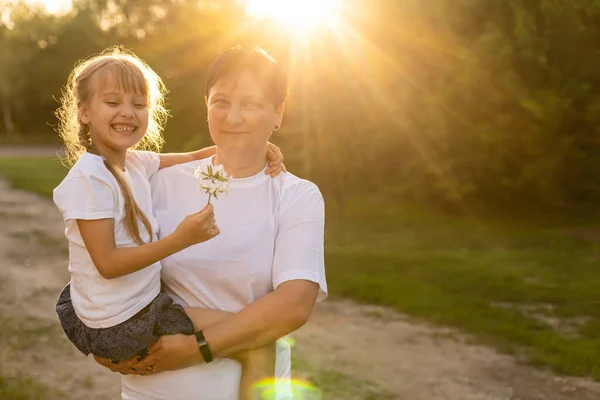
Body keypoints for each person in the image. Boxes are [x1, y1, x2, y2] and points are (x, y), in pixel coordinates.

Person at [93, 46, 328, 400]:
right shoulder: (157, 183)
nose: (233, 118)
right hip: (152, 391)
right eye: (221, 101)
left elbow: (293, 304)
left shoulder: (297, 196)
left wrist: (196, 348)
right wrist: (105, 339)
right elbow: (107, 271)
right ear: (206, 103)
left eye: (251, 104)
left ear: (278, 113)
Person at [52, 47, 286, 400]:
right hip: (125, 321)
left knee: (246, 329)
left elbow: (196, 155)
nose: (127, 113)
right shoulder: (89, 179)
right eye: (113, 102)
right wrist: (181, 239)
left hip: (131, 306)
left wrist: (262, 146)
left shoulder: (132, 163)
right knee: (258, 342)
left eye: (138, 104)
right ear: (84, 112)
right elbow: (108, 264)